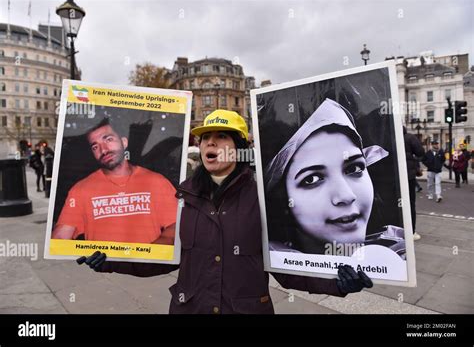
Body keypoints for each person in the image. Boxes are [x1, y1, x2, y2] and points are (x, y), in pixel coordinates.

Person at [78, 109, 373, 314]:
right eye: (206, 137)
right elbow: (162, 259)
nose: (210, 142)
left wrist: (336, 283)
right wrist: (111, 260)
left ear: (239, 147)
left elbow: (286, 269)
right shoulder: (181, 197)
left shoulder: (263, 199)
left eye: (221, 136)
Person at [265, 99, 406, 257]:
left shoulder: (399, 251)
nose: (346, 196)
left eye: (354, 168)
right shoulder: (275, 259)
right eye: (312, 179)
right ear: (282, 196)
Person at [52, 117, 177, 245]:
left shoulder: (157, 182)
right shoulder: (80, 190)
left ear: (124, 142)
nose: (103, 150)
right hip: (105, 265)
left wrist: (155, 250)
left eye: (108, 139)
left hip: (150, 264)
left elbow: (176, 224)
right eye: (95, 147)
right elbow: (60, 237)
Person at [403, 126, 425, 241]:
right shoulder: (410, 137)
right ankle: (411, 232)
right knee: (410, 203)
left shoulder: (387, 136)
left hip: (391, 176)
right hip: (408, 176)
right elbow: (421, 152)